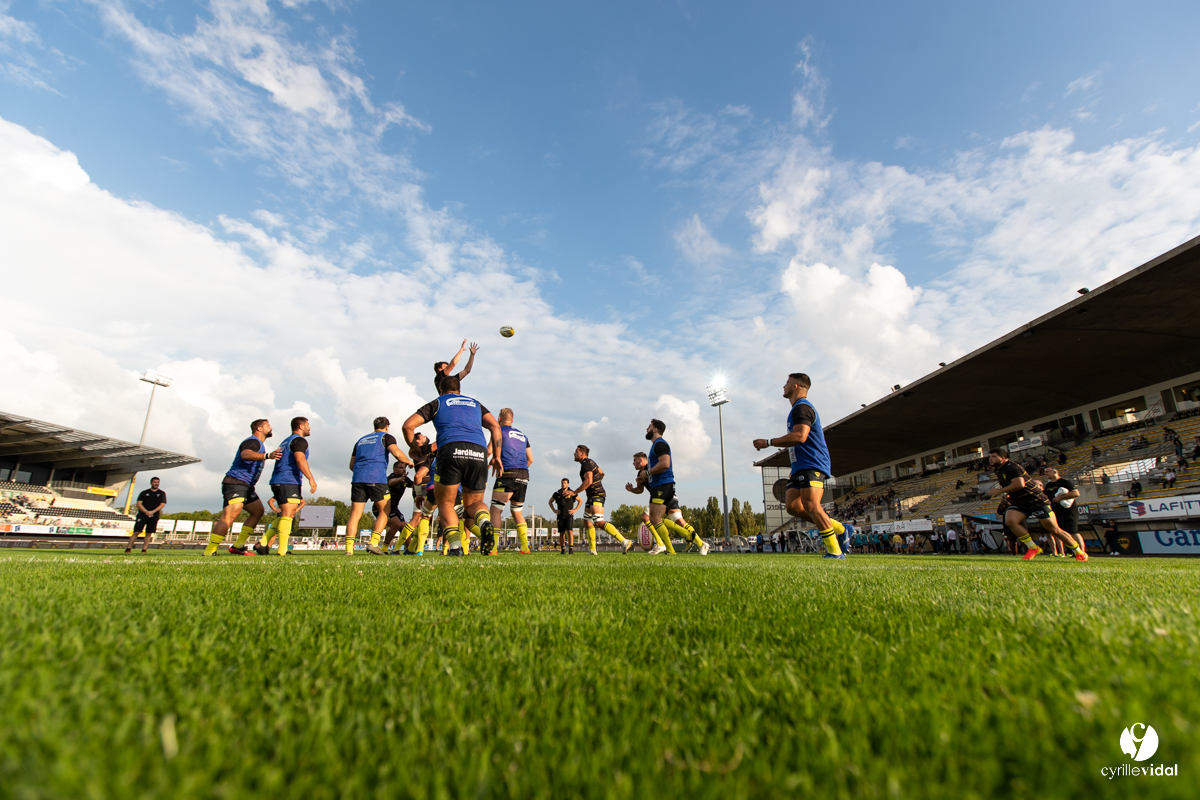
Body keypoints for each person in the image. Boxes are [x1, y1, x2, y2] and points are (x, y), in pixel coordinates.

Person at [752, 372, 854, 559]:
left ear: (795, 387)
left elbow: (800, 436)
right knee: (793, 507)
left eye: (787, 383)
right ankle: (840, 527)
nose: (784, 386)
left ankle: (835, 551)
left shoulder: (802, 408)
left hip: (813, 463)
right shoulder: (796, 409)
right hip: (800, 467)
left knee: (811, 504)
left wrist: (768, 442)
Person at [401, 375, 502, 557]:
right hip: (478, 451)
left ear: (441, 390)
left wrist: (413, 447)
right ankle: (484, 522)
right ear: (460, 391)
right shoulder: (475, 404)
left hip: (450, 448)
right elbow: (495, 426)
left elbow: (408, 426)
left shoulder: (438, 402)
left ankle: (455, 546)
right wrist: (497, 457)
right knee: (474, 503)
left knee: (445, 502)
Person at [985, 447, 1086, 562]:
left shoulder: (1012, 467)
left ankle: (1078, 551)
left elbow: (1020, 484)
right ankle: (1033, 548)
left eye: (994, 457)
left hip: (1036, 500)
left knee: (1054, 529)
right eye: (990, 457)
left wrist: (1000, 491)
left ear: (1003, 458)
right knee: (1010, 521)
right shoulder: (998, 470)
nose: (991, 459)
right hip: (1020, 501)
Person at [205, 419, 282, 557]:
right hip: (236, 483)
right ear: (259, 428)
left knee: (258, 511)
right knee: (230, 516)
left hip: (247, 486)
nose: (271, 427)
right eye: (268, 425)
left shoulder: (259, 444)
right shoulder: (252, 441)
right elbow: (245, 454)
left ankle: (238, 546)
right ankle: (210, 551)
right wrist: (267, 456)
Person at [345, 417, 415, 556]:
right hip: (376, 478)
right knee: (385, 511)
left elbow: (351, 465)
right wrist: (409, 461)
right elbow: (396, 453)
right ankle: (374, 543)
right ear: (387, 427)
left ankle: (348, 550)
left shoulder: (360, 440)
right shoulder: (386, 437)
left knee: (355, 514)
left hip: (358, 479)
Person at [261, 417, 318, 557]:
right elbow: (300, 459)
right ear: (300, 426)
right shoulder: (299, 440)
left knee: (288, 513)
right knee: (288, 514)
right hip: (287, 480)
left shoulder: (286, 441)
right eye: (308, 425)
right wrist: (311, 478)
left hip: (280, 480)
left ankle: (262, 543)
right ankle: (282, 550)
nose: (309, 428)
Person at [625, 450, 700, 555]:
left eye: (634, 460)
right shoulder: (640, 473)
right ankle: (700, 543)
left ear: (641, 460)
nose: (633, 463)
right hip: (667, 495)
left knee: (647, 518)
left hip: (661, 494)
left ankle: (662, 544)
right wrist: (632, 489)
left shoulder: (651, 467)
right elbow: (640, 490)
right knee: (679, 521)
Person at [572, 445, 635, 555]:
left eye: (576, 452)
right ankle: (592, 549)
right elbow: (601, 473)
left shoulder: (586, 463)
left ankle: (624, 541)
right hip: (592, 495)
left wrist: (574, 492)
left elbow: (588, 481)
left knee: (598, 522)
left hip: (597, 494)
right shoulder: (591, 462)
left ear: (582, 453)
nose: (574, 454)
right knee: (587, 521)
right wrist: (597, 482)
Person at [488, 408, 534, 555]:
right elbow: (531, 459)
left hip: (507, 474)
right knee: (517, 512)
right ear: (512, 420)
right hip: (524, 475)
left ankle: (493, 548)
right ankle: (525, 548)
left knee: (495, 511)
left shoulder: (498, 431)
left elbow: (489, 451)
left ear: (499, 419)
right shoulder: (523, 435)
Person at [1042, 467, 1085, 554]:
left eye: (1047, 472)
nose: (1045, 474)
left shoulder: (1065, 482)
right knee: (1062, 533)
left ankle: (1082, 552)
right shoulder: (1048, 485)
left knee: (1073, 532)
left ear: (1054, 472)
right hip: (1056, 512)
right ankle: (1069, 552)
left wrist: (1060, 498)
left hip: (1069, 511)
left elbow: (1076, 493)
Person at [126, 477, 166, 554]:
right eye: (154, 482)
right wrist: (146, 512)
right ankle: (128, 548)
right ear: (151, 483)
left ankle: (144, 549)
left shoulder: (162, 493)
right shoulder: (144, 492)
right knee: (136, 532)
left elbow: (162, 504)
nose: (156, 484)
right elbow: (139, 503)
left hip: (154, 515)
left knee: (148, 533)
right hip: (142, 515)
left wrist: (152, 512)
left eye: (157, 482)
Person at [381, 461, 413, 554]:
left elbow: (415, 485)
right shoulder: (391, 478)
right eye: (401, 468)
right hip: (382, 507)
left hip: (394, 508)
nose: (404, 469)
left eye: (404, 468)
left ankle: (410, 550)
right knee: (396, 524)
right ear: (395, 470)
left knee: (405, 527)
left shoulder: (405, 479)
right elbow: (391, 483)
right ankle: (384, 548)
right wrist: (400, 480)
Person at [549, 478, 580, 554]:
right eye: (562, 483)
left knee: (570, 531)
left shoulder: (572, 492)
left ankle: (571, 549)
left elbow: (580, 500)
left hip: (569, 515)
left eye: (565, 483)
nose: (563, 484)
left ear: (568, 484)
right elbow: (550, 501)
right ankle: (562, 549)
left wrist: (575, 510)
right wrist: (554, 510)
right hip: (561, 515)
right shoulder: (557, 493)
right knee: (562, 532)